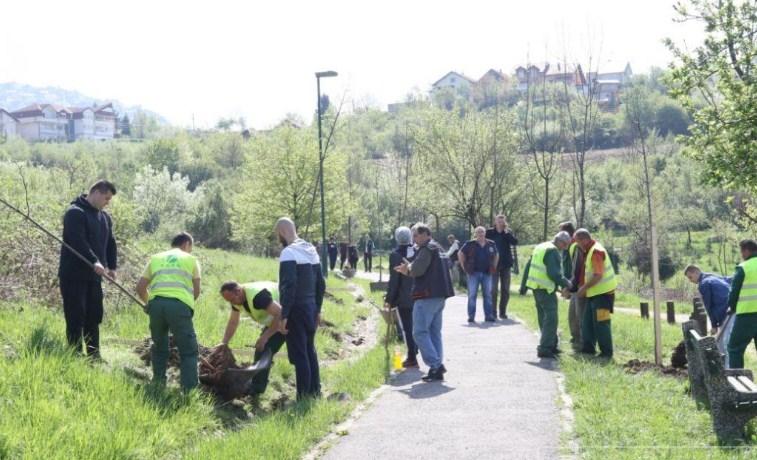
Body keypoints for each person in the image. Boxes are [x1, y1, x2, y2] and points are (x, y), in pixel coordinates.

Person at [59, 180, 118, 359]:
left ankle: (94, 355)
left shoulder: (105, 217)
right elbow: (78, 241)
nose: (107, 202)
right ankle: (75, 354)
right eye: (106, 198)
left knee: (93, 316)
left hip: (94, 276)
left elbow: (110, 243)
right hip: (73, 275)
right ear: (96, 192)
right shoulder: (75, 213)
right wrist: (94, 261)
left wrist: (112, 266)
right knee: (76, 315)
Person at [136, 232, 201, 392]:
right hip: (179, 306)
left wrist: (148, 304)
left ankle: (158, 384)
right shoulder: (191, 260)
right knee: (188, 350)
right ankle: (188, 391)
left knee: (159, 346)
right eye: (190, 247)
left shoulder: (156, 258)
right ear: (186, 244)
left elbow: (140, 288)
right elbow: (196, 291)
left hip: (156, 305)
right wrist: (185, 306)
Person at [395, 223, 454, 382]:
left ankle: (435, 365)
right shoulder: (439, 248)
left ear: (425, 234)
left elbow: (417, 270)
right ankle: (436, 368)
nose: (413, 239)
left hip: (426, 295)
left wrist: (407, 268)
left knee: (419, 332)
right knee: (435, 333)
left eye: (415, 235)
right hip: (440, 295)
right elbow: (448, 265)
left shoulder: (427, 249)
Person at [275, 217, 326, 399]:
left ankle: (303, 396)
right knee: (310, 350)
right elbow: (321, 283)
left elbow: (289, 285)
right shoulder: (311, 250)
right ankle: (315, 392)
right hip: (311, 306)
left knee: (300, 353)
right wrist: (318, 309)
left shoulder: (289, 253)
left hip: (296, 308)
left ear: (281, 232)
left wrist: (284, 314)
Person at [218, 280, 285, 395]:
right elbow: (233, 322)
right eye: (229, 301)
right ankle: (257, 387)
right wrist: (224, 343)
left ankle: (308, 392)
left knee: (299, 356)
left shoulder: (258, 296)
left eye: (232, 300)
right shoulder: (237, 299)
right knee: (262, 349)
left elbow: (280, 313)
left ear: (238, 291)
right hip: (278, 321)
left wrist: (265, 336)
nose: (232, 303)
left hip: (293, 316)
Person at [519, 232, 573, 358]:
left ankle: (551, 345)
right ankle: (545, 348)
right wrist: (568, 284)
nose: (564, 248)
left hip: (536, 288)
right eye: (565, 245)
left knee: (544, 317)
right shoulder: (552, 251)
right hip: (546, 290)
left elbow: (528, 266)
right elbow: (554, 274)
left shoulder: (541, 246)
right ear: (559, 241)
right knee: (551, 319)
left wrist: (523, 286)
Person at [572, 229, 617, 359]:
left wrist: (584, 288)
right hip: (594, 294)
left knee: (601, 324)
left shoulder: (596, 251)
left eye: (577, 241)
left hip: (603, 294)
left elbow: (598, 275)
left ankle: (606, 353)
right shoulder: (589, 250)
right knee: (587, 323)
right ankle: (588, 349)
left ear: (584, 240)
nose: (576, 244)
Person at [385, 226, 418, 368]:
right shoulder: (418, 251)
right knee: (418, 325)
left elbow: (394, 279)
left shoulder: (395, 255)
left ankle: (412, 355)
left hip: (404, 296)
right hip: (420, 294)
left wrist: (389, 299)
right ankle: (415, 350)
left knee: (407, 327)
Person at [726, 239, 757, 369]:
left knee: (734, 348)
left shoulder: (744, 267)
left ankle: (738, 380)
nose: (741, 255)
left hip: (747, 315)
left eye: (741, 252)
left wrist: (731, 307)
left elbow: (734, 292)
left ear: (746, 250)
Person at [459, 226, 498, 323]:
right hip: (473, 273)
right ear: (475, 234)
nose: (481, 234)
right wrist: (463, 267)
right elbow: (460, 253)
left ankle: (488, 316)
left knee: (488, 295)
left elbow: (497, 255)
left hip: (487, 273)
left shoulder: (491, 244)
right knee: (472, 295)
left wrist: (494, 266)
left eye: (482, 232)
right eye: (478, 232)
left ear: (485, 233)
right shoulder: (470, 244)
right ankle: (471, 316)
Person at [559, 221, 585, 351]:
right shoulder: (567, 247)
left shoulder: (575, 247)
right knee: (572, 314)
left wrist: (569, 286)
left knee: (577, 313)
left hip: (577, 285)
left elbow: (576, 269)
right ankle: (575, 338)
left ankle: (581, 340)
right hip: (571, 283)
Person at [486, 215, 518, 319]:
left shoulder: (507, 232)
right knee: (493, 289)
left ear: (505, 223)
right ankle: (493, 312)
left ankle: (502, 312)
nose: (500, 223)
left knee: (505, 289)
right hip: (493, 264)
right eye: (498, 222)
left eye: (502, 222)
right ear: (495, 222)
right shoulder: (489, 232)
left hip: (506, 264)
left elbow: (515, 242)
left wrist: (506, 233)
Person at [683, 265, 731, 335]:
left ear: (696, 272)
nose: (690, 281)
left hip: (723, 314)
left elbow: (708, 306)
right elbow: (728, 280)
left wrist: (714, 326)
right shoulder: (713, 276)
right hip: (733, 309)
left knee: (725, 341)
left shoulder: (704, 284)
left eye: (690, 277)